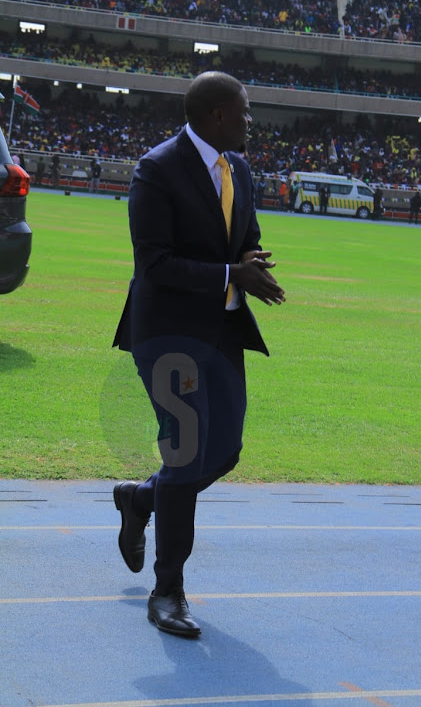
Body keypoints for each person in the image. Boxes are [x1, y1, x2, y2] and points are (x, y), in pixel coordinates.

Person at [112, 71, 285, 639]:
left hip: (222, 333)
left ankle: (142, 498)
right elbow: (154, 265)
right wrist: (231, 274)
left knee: (225, 452)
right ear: (216, 116)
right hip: (166, 335)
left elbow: (244, 240)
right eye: (244, 111)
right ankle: (168, 592)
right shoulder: (157, 169)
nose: (250, 121)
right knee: (185, 459)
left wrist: (252, 266)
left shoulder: (240, 169)